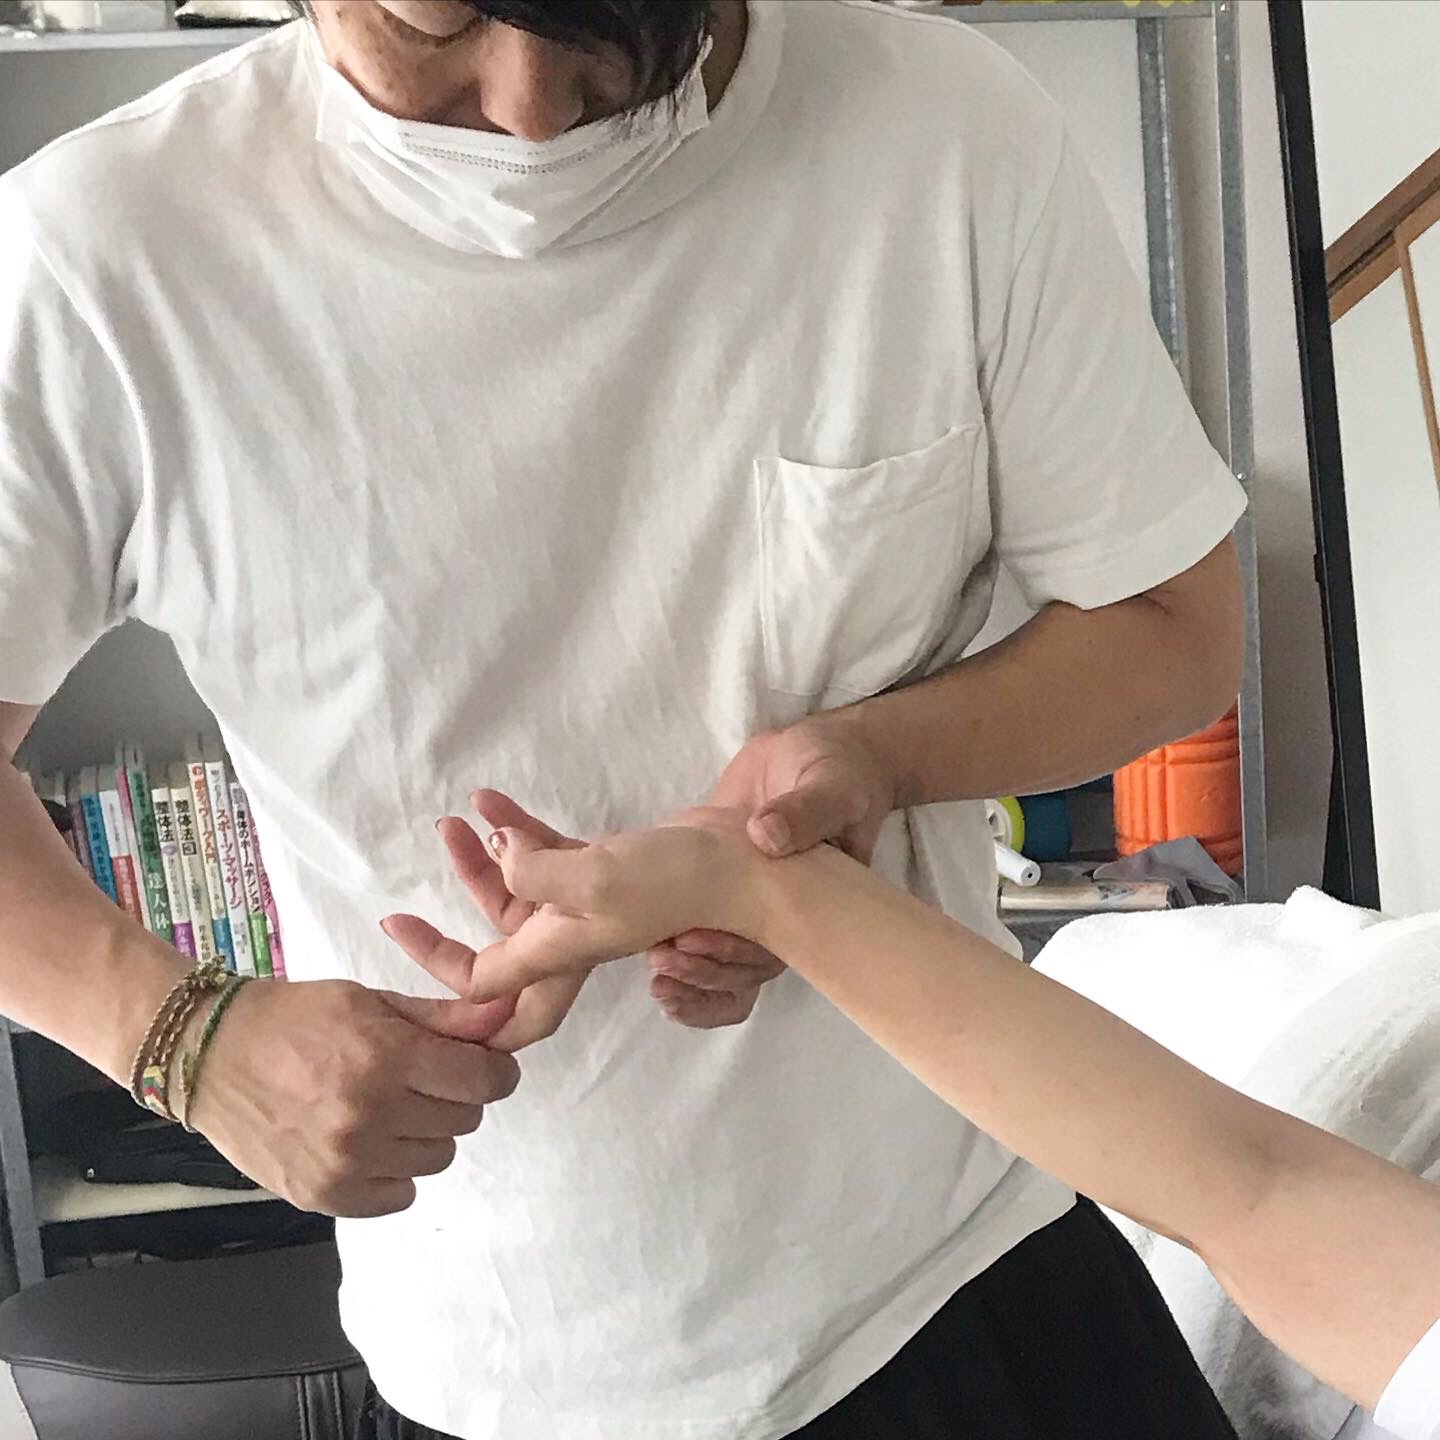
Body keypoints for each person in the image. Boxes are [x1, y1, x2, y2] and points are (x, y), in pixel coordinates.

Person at [0, 1, 1248, 1436]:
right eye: (433, 23)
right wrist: (177, 1035)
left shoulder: (945, 129)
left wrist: (875, 759)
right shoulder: (100, 255)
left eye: (613, 14)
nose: (533, 111)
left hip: (961, 1258)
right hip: (509, 1354)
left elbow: (1174, 629)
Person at [384, 803, 1440, 1440]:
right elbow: (1254, 1190)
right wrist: (759, 883)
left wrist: (762, 885)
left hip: (944, 1270)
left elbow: (1253, 1190)